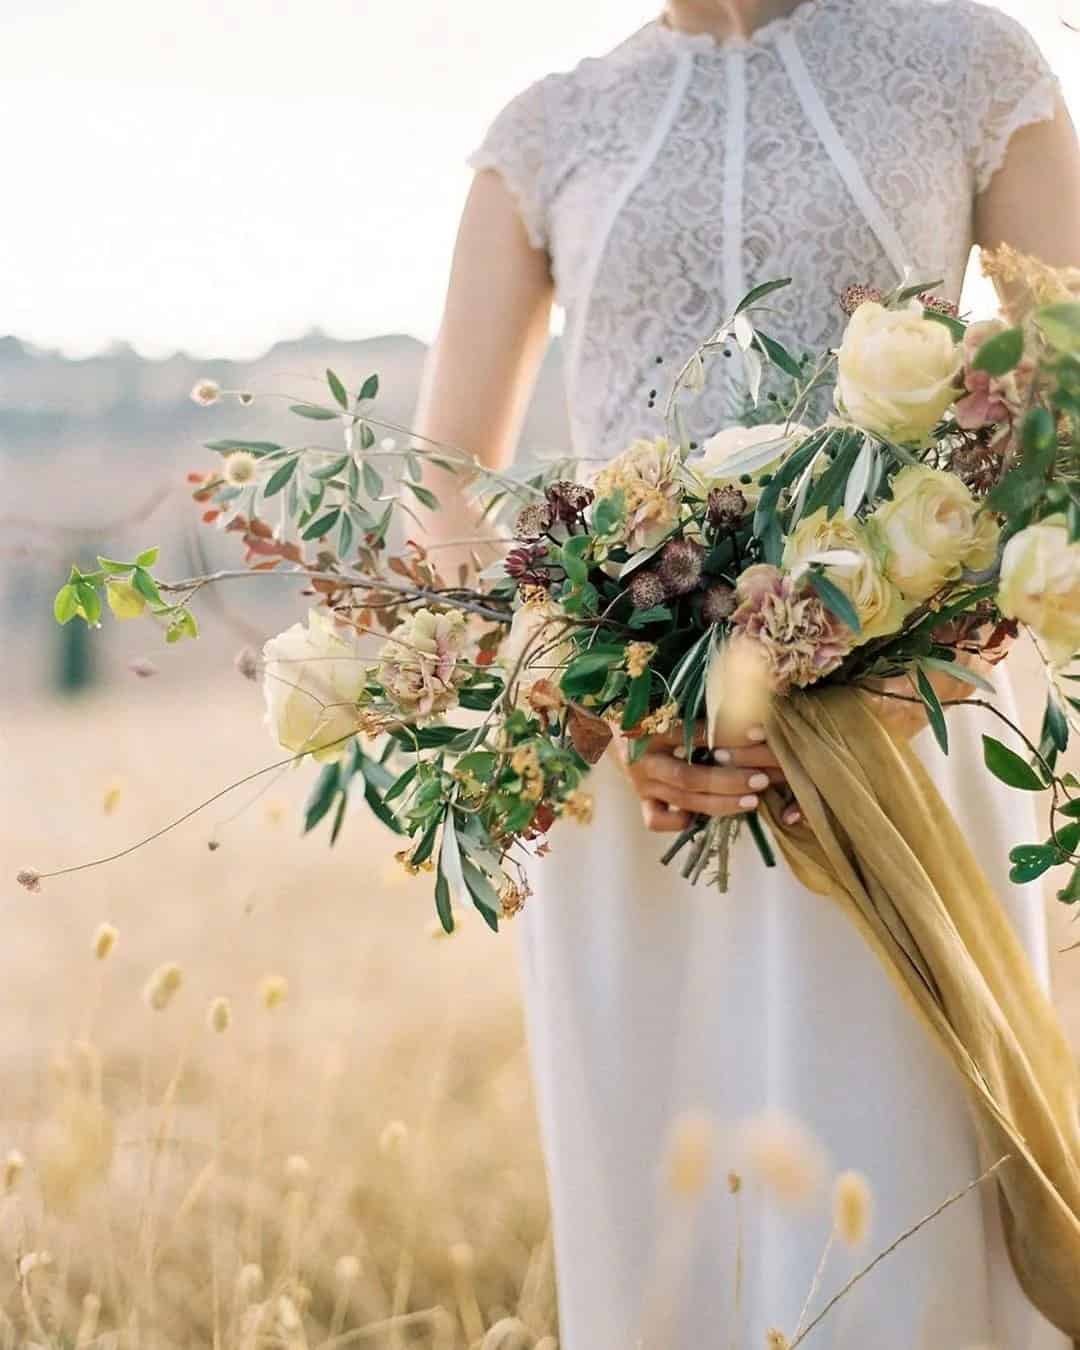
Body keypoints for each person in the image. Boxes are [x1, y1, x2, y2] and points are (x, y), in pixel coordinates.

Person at [413, 1, 1080, 1345]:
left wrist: (907, 653)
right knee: (670, 1259)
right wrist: (595, 693)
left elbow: (1064, 403)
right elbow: (444, 496)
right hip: (634, 777)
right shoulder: (549, 131)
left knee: (900, 1229)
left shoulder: (969, 66)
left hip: (901, 743)